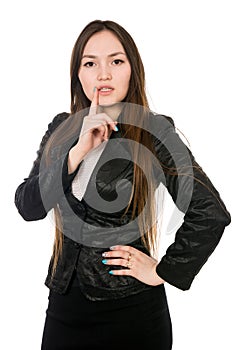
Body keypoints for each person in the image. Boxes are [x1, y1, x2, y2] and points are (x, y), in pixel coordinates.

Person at [14, 20, 231, 350]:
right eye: (90, 63)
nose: (103, 74)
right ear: (79, 75)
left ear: (132, 69)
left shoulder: (154, 132)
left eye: (116, 61)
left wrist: (165, 271)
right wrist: (76, 153)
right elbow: (28, 206)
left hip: (133, 315)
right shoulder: (62, 129)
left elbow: (209, 212)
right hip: (63, 311)